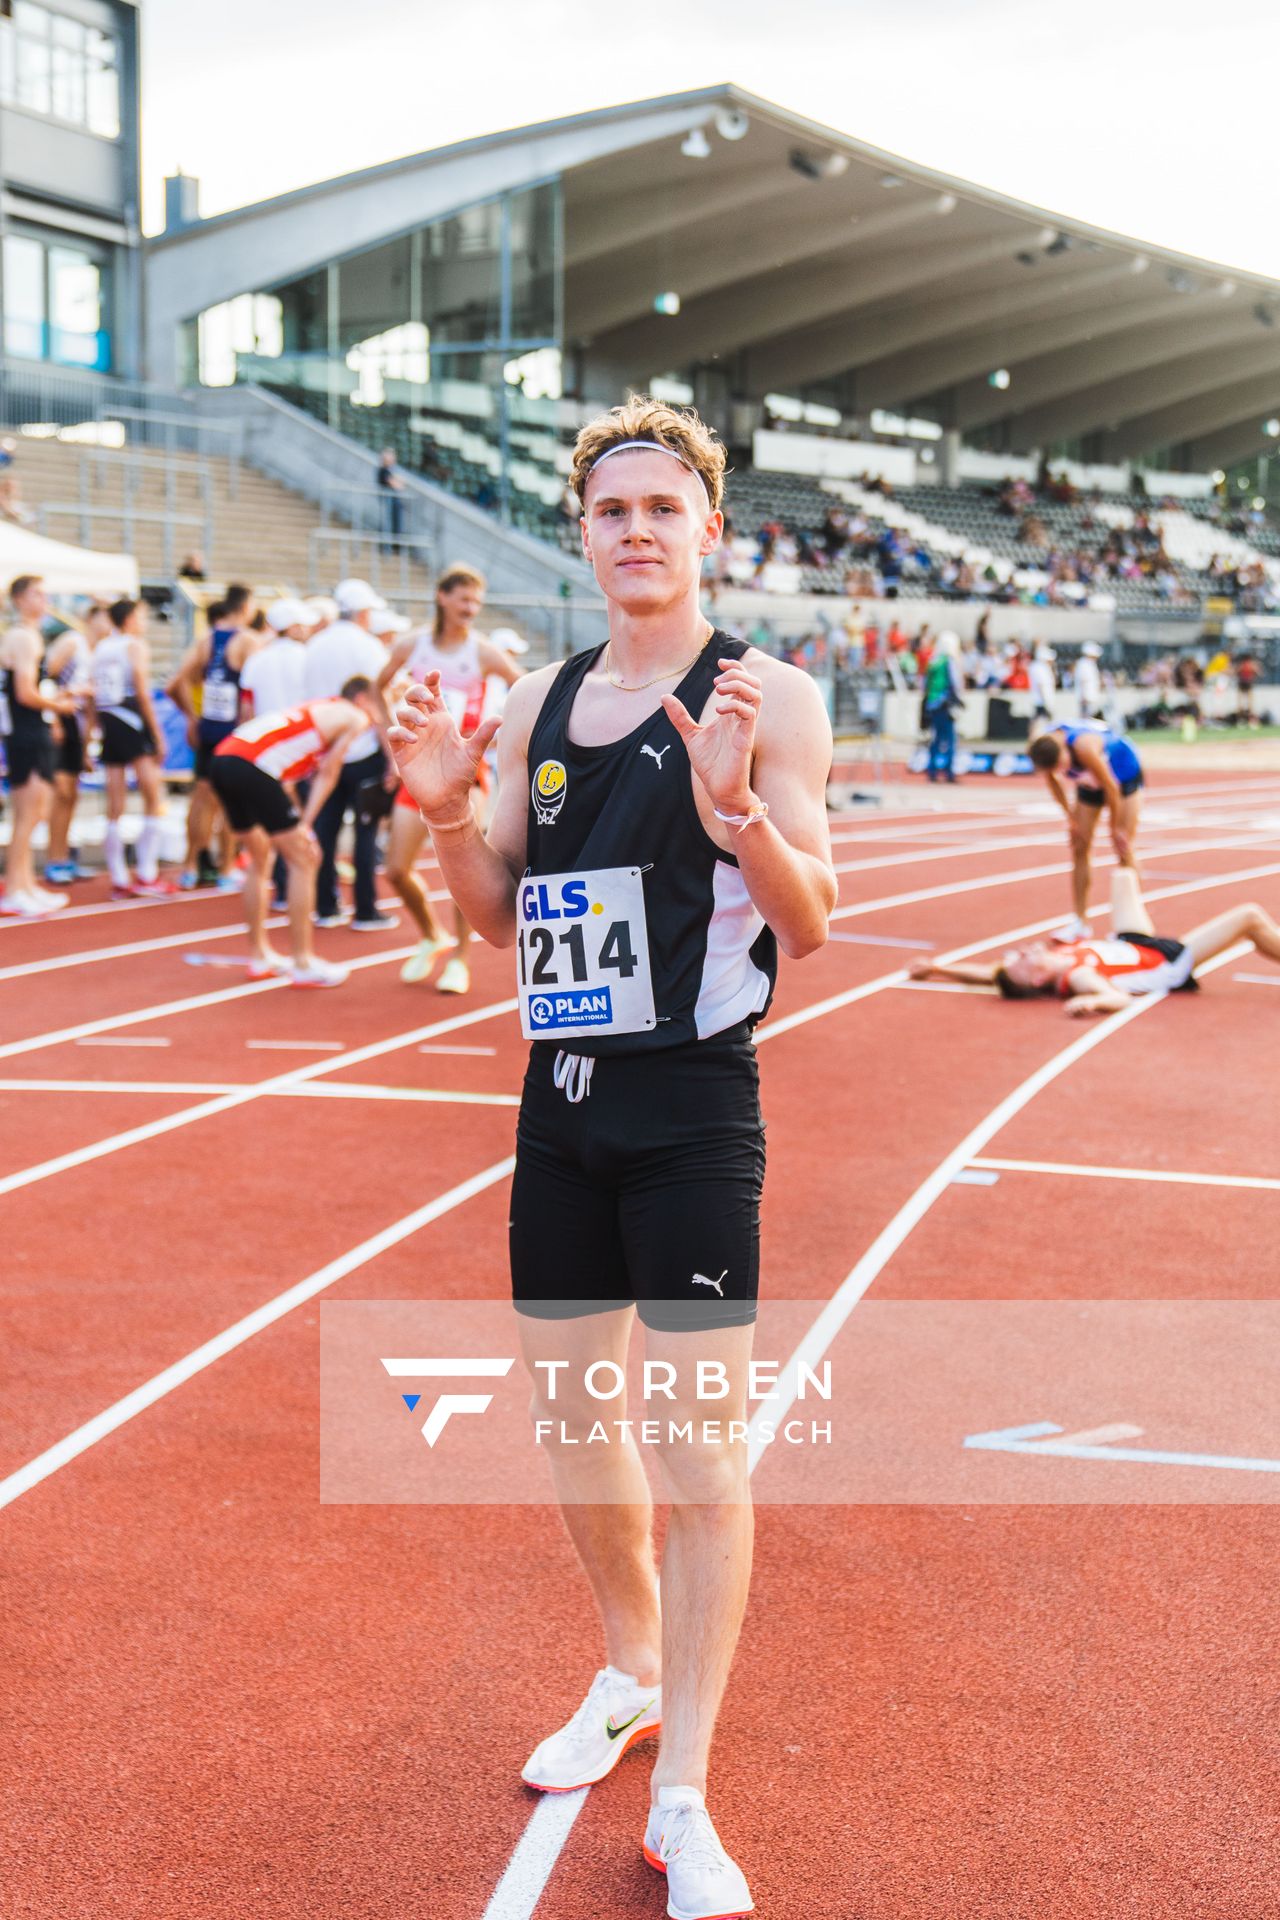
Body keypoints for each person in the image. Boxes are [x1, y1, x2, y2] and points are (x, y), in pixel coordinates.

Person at [388, 397, 836, 1920]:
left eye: (664, 506)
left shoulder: (766, 695)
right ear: (580, 533)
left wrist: (736, 822)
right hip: (560, 1108)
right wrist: (445, 808)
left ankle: (687, 1797)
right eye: (610, 509)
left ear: (711, 527)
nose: (636, 529)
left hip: (695, 1109)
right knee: (579, 1422)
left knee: (702, 1449)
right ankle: (629, 1668)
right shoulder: (536, 702)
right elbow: (498, 910)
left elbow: (815, 918)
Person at [377, 564, 523, 990]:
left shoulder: (483, 652)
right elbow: (376, 687)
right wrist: (389, 735)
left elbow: (527, 691)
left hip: (467, 771)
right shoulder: (413, 644)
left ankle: (460, 958)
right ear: (443, 597)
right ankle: (431, 935)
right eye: (464, 598)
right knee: (395, 870)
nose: (471, 608)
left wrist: (500, 740)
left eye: (477, 601)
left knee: (463, 870)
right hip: (420, 769)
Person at [909, 867, 1280, 1014]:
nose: (1020, 951)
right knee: (1248, 917)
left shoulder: (1059, 958)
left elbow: (989, 974)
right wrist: (1092, 1002)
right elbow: (1118, 998)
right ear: (1038, 980)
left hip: (1133, 942)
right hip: (1167, 961)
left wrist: (939, 967)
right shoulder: (1077, 977)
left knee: (1122, 875)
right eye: (1021, 961)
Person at [209, 680, 384, 988]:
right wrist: (307, 824)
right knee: (304, 860)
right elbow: (330, 771)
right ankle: (302, 962)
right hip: (253, 767)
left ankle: (260, 955)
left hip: (224, 759)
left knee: (259, 860)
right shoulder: (354, 716)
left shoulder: (318, 707)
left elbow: (285, 778)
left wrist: (299, 821)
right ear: (361, 699)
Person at [303, 579, 396, 931]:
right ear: (363, 612)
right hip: (364, 750)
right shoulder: (369, 647)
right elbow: (379, 703)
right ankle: (366, 909)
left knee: (325, 831)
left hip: (325, 751)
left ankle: (326, 906)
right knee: (365, 834)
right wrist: (392, 757)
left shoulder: (314, 645)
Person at [167, 583, 260, 889]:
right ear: (246, 606)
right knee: (233, 801)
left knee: (201, 799)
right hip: (234, 732)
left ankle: (191, 866)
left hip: (208, 728)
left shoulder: (207, 640)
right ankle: (226, 869)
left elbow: (175, 683)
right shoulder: (248, 641)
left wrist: (192, 719)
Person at [0, 575, 77, 915]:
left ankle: (25, 883)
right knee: (28, 815)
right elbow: (25, 693)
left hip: (26, 731)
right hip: (27, 733)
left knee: (31, 814)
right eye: (37, 594)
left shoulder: (26, 636)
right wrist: (59, 706)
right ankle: (16, 888)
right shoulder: (24, 637)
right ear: (19, 599)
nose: (45, 600)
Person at [90, 599, 176, 899]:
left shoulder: (100, 648)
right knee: (153, 794)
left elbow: (93, 694)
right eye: (141, 616)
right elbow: (141, 690)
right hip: (131, 719)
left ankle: (118, 874)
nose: (144, 622)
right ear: (128, 619)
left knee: (115, 802)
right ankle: (147, 872)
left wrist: (94, 728)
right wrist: (157, 734)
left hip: (110, 720)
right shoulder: (134, 646)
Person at [1028, 720, 1144, 940]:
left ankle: (1135, 926)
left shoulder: (1084, 747)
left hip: (1123, 778)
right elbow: (1053, 782)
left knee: (1122, 846)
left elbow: (1111, 787)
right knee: (1079, 845)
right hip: (1090, 785)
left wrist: (1115, 827)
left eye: (1062, 766)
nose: (1062, 771)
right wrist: (1071, 820)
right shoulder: (1042, 749)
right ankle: (1080, 922)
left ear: (1064, 751)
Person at [41, 605, 103, 884]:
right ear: (90, 618)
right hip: (58, 721)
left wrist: (88, 744)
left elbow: (90, 707)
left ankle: (64, 856)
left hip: (75, 728)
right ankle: (54, 859)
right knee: (60, 792)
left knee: (71, 795)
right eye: (103, 616)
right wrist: (52, 717)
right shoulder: (72, 642)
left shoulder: (97, 653)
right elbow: (43, 676)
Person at [922, 630, 963, 783]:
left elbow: (925, 684)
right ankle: (949, 771)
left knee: (936, 738)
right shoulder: (948, 661)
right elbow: (955, 682)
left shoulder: (933, 661)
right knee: (950, 739)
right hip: (945, 704)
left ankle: (932, 770)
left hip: (932, 704)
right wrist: (959, 699)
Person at [377, 448, 407, 554]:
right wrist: (397, 482)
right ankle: (386, 548)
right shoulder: (383, 471)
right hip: (387, 502)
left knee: (396, 525)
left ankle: (395, 547)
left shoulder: (392, 470)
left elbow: (401, 484)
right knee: (387, 525)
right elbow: (396, 484)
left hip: (394, 502)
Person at [1075, 642, 1103, 719]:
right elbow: (1083, 681)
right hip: (1086, 698)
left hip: (1091, 697)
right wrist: (1084, 696)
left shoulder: (1091, 664)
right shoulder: (1083, 664)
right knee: (1085, 719)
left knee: (1090, 719)